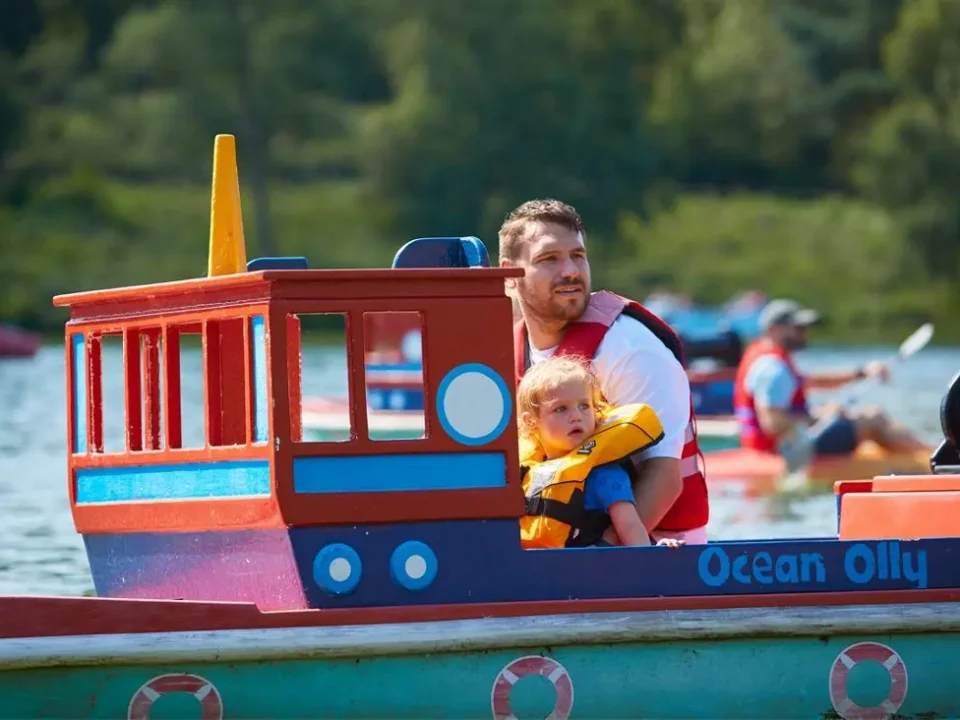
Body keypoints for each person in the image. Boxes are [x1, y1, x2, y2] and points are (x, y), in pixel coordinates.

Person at [499, 198, 709, 545]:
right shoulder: (514, 350)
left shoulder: (630, 348)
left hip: (654, 550)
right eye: (549, 259)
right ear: (511, 275)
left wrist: (594, 558)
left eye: (578, 256)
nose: (570, 271)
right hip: (557, 553)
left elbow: (664, 477)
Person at [516, 355, 684, 549]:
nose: (576, 416)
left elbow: (629, 525)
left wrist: (649, 553)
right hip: (537, 569)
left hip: (590, 570)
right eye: (561, 409)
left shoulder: (604, 474)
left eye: (584, 406)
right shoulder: (525, 475)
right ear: (530, 421)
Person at [733, 298, 926, 466]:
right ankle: (932, 460)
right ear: (773, 330)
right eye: (798, 328)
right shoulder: (773, 368)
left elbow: (812, 381)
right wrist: (822, 418)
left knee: (864, 416)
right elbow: (773, 424)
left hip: (769, 446)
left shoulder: (765, 357)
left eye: (805, 328)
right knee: (873, 420)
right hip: (785, 451)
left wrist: (862, 372)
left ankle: (923, 453)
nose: (804, 333)